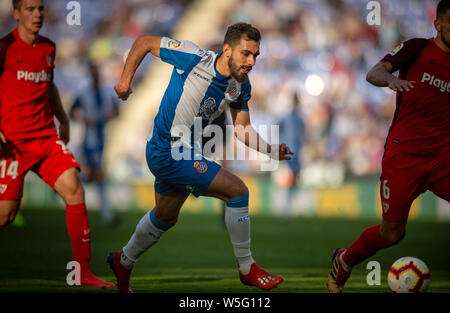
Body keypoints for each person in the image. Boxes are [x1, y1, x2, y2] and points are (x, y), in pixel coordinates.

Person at [108, 22, 294, 293]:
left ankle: (122, 261)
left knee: (165, 216)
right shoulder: (193, 57)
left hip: (187, 152)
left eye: (255, 55)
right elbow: (146, 42)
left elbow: (242, 128)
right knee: (238, 191)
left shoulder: (240, 86)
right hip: (166, 149)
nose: (251, 61)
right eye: (246, 54)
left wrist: (270, 149)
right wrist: (125, 81)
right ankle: (247, 267)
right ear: (227, 50)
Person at [327, 0, 450, 293]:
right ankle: (344, 260)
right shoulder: (417, 48)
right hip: (404, 156)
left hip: (443, 157)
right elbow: (373, 73)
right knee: (392, 233)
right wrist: (390, 80)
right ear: (438, 24)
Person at [0, 0, 114, 287]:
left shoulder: (49, 48)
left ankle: (81, 273)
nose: (37, 14)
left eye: (40, 9)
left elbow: (48, 85)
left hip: (46, 138)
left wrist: (62, 119)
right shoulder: (4, 49)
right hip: (11, 145)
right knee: (5, 216)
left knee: (74, 189)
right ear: (16, 13)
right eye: (29, 9)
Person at [70, 60, 119, 225]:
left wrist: (109, 115)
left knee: (93, 176)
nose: (94, 75)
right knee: (99, 175)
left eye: (96, 72)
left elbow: (116, 112)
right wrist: (82, 117)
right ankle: (108, 215)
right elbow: (72, 112)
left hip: (103, 139)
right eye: (92, 72)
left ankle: (68, 185)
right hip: (90, 140)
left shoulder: (107, 92)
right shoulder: (83, 92)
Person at [278, 91, 305, 220]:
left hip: (296, 154)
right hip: (288, 154)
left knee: (294, 182)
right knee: (287, 181)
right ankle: (285, 210)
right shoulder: (287, 117)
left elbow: (302, 137)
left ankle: (288, 209)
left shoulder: (299, 118)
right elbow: (278, 132)